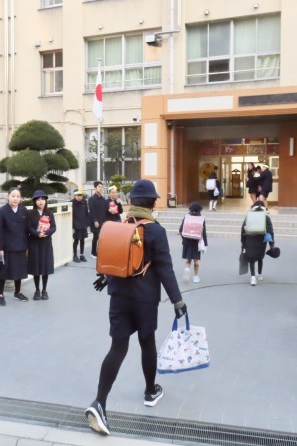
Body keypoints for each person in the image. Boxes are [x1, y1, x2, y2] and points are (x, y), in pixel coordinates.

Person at [85, 179, 187, 437]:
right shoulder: (156, 231)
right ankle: (150, 391)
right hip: (145, 299)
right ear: (152, 203)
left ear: (131, 202)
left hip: (119, 296)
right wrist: (177, 301)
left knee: (117, 348)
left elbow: (114, 259)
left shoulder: (122, 225)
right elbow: (165, 269)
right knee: (147, 341)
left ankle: (99, 402)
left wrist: (106, 277)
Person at [0, 187, 29, 306]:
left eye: (18, 196)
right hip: (7, 247)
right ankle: (0, 294)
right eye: (13, 196)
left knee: (19, 270)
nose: (15, 198)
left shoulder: (23, 209)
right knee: (3, 271)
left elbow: (27, 228)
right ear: (7, 197)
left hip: (21, 245)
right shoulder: (1, 211)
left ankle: (17, 292)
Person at [26, 190, 56, 300]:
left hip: (46, 243)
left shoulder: (49, 213)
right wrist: (37, 233)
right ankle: (37, 290)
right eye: (38, 199)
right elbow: (29, 228)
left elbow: (54, 227)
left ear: (45, 201)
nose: (41, 201)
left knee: (45, 267)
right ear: (35, 201)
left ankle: (44, 290)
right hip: (34, 243)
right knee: (36, 268)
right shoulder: (30, 214)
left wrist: (46, 233)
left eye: (43, 199)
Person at [241, 201, 274, 286]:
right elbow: (270, 231)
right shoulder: (266, 218)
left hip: (250, 240)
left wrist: (243, 243)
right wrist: (271, 244)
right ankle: (259, 274)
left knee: (251, 259)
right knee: (260, 258)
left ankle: (253, 277)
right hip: (261, 241)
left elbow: (243, 230)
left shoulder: (249, 216)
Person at [179, 201, 207, 283]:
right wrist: (205, 243)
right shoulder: (201, 219)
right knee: (196, 261)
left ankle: (187, 269)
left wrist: (183, 239)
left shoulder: (186, 217)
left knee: (188, 259)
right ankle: (196, 277)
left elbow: (181, 230)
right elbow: (203, 232)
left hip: (187, 241)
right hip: (196, 241)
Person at [71, 188, 89, 263]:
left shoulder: (84, 202)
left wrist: (87, 223)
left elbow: (86, 212)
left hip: (83, 224)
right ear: (74, 196)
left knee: (82, 240)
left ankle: (82, 255)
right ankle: (75, 255)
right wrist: (73, 225)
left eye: (81, 195)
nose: (79, 197)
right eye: (78, 195)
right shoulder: (71, 203)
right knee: (76, 240)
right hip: (76, 225)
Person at [89, 181, 106, 258]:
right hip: (95, 221)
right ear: (95, 188)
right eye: (99, 187)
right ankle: (93, 253)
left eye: (102, 187)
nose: (101, 188)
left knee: (101, 237)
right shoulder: (91, 199)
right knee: (96, 236)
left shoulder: (103, 199)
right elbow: (92, 211)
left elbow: (104, 210)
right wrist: (95, 220)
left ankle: (100, 252)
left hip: (102, 221)